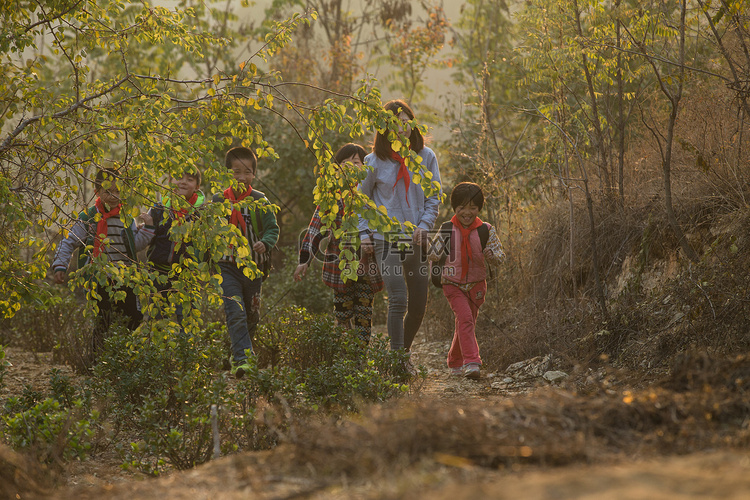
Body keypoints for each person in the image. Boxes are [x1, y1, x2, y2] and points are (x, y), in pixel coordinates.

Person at [359, 99, 442, 372]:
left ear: (412, 123)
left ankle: (401, 355)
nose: (401, 129)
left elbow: (434, 197)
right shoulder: (373, 162)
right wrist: (364, 233)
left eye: (405, 123)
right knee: (398, 298)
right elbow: (360, 200)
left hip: (416, 240)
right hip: (386, 240)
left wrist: (424, 226)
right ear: (384, 128)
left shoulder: (426, 156)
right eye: (394, 124)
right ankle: (396, 363)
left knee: (418, 304)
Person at [52, 168, 150, 364]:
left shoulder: (127, 217)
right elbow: (69, 241)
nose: (113, 196)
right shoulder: (89, 218)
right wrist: (60, 265)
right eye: (108, 191)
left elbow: (134, 245)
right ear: (97, 192)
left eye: (117, 191)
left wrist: (149, 229)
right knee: (103, 320)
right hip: (98, 279)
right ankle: (97, 363)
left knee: (134, 318)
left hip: (126, 278)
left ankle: (126, 363)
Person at [294, 143, 384, 344]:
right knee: (342, 314)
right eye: (344, 163)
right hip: (339, 266)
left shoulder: (373, 196)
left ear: (365, 167)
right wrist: (304, 260)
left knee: (364, 313)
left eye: (356, 162)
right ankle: (345, 356)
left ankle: (359, 356)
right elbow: (316, 229)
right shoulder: (331, 197)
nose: (350, 167)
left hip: (367, 266)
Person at [428, 182, 505, 380]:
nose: (467, 212)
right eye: (462, 207)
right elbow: (432, 254)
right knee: (465, 319)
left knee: (465, 322)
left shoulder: (486, 230)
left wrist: (491, 255)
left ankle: (454, 362)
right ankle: (472, 362)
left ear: (479, 208)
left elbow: (500, 257)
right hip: (452, 284)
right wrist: (430, 249)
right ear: (455, 208)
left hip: (477, 285)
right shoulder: (446, 229)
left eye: (473, 207)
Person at [213, 146, 279, 378]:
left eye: (247, 172)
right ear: (228, 173)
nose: (242, 177)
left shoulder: (261, 200)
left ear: (254, 174)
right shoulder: (218, 200)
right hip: (226, 265)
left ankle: (236, 352)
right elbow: (210, 231)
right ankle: (243, 360)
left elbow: (272, 228)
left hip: (253, 267)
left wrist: (265, 242)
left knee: (252, 314)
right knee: (236, 310)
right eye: (236, 171)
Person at [137, 169, 205, 327]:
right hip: (158, 272)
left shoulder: (200, 213)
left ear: (196, 187)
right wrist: (147, 226)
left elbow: (204, 245)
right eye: (178, 177)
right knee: (157, 317)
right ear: (169, 181)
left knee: (187, 318)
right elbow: (148, 237)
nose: (183, 182)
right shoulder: (158, 208)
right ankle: (157, 351)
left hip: (187, 275)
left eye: (189, 179)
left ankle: (185, 349)